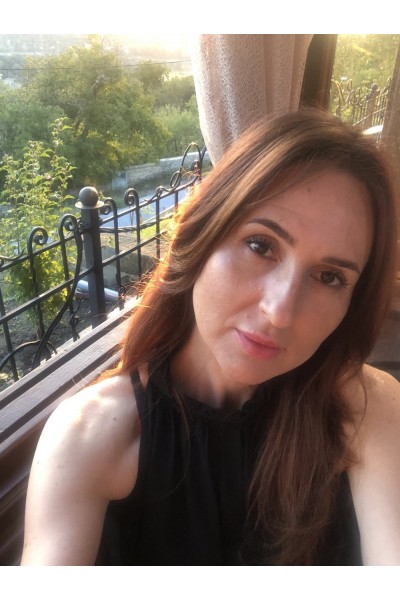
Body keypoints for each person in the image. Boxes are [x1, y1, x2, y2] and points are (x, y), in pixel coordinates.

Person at [20, 109, 400, 566]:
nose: (280, 311)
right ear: (200, 236)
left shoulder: (366, 410)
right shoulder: (92, 436)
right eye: (260, 245)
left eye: (329, 276)